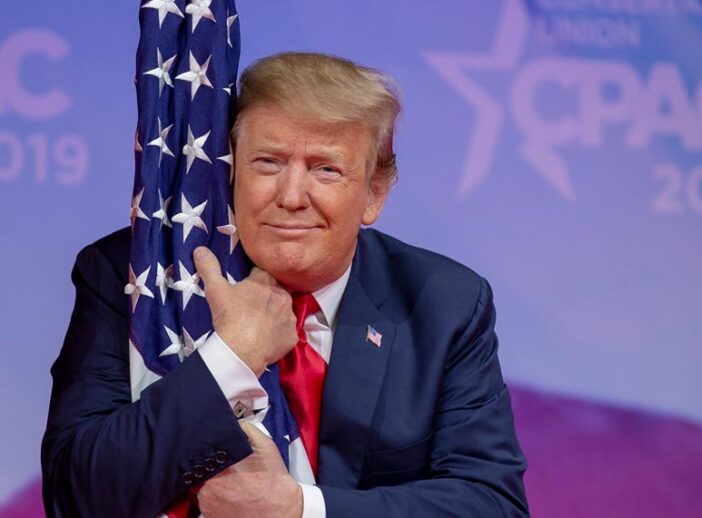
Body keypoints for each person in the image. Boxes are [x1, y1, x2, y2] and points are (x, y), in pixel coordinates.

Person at [42, 52, 529, 517]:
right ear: (226, 173)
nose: (292, 196)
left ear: (373, 194)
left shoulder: (443, 304)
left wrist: (299, 511)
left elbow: (491, 505)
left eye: (326, 169)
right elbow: (77, 497)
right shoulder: (134, 276)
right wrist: (229, 358)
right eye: (268, 162)